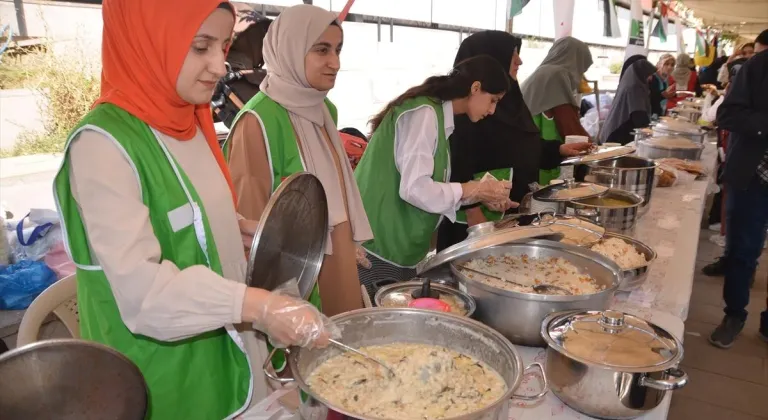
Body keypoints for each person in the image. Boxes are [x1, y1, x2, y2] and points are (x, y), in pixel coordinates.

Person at [52, 1, 335, 418]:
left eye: (223, 45)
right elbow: (146, 295)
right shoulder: (102, 146)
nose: (220, 66)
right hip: (163, 376)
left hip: (229, 354)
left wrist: (236, 229)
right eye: (200, 47)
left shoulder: (189, 119)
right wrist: (260, 306)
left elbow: (189, 212)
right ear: (147, 42)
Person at [225, 5, 373, 318]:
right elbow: (253, 233)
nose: (335, 62)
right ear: (289, 49)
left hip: (335, 257)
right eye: (321, 50)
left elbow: (336, 195)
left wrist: (346, 244)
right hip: (297, 278)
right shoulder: (258, 121)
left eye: (338, 49)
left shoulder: (324, 110)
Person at [354, 55, 513, 296]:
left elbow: (433, 193)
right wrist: (472, 189)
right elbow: (415, 189)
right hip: (378, 245)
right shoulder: (425, 112)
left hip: (399, 248)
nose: (492, 110)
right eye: (493, 100)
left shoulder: (439, 117)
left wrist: (481, 196)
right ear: (475, 87)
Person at [435, 31, 591, 250]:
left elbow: (521, 147)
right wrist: (472, 212)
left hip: (507, 209)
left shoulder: (509, 99)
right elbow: (455, 163)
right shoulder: (465, 107)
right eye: (514, 54)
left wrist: (559, 150)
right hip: (474, 220)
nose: (520, 60)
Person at [708, 29, 768, 349]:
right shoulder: (758, 67)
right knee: (742, 251)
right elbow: (727, 114)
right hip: (753, 176)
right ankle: (734, 315)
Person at [520, 36, 594, 185]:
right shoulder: (556, 74)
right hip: (542, 155)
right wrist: (595, 148)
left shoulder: (543, 72)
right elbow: (570, 127)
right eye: (581, 69)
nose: (580, 75)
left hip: (528, 150)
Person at [600, 59, 658, 145]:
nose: (650, 78)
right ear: (641, 74)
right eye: (649, 75)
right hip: (617, 135)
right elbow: (639, 117)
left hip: (616, 131)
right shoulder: (634, 88)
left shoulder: (632, 84)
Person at [649, 53, 676, 117]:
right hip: (651, 115)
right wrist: (663, 95)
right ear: (660, 64)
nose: (670, 67)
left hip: (661, 113)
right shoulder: (652, 78)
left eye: (672, 65)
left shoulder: (666, 79)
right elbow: (649, 98)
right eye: (666, 64)